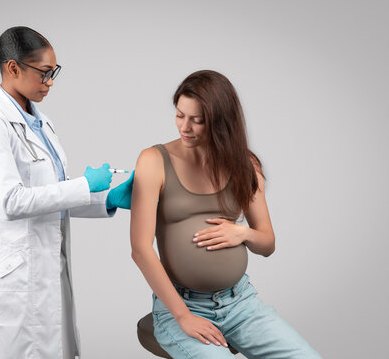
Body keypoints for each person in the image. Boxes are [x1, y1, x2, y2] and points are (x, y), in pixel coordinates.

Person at [0, 26, 133, 359]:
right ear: (13, 68)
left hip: (43, 263)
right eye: (44, 73)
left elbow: (50, 193)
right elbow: (12, 200)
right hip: (9, 271)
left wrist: (105, 198)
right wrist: (84, 185)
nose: (50, 81)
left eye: (54, 73)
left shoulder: (41, 123)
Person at [130, 70, 322, 358]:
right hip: (183, 306)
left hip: (241, 304)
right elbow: (140, 250)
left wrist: (243, 233)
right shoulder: (154, 160)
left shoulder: (244, 164)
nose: (185, 127)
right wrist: (183, 316)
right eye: (180, 115)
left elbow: (267, 244)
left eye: (198, 120)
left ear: (221, 122)